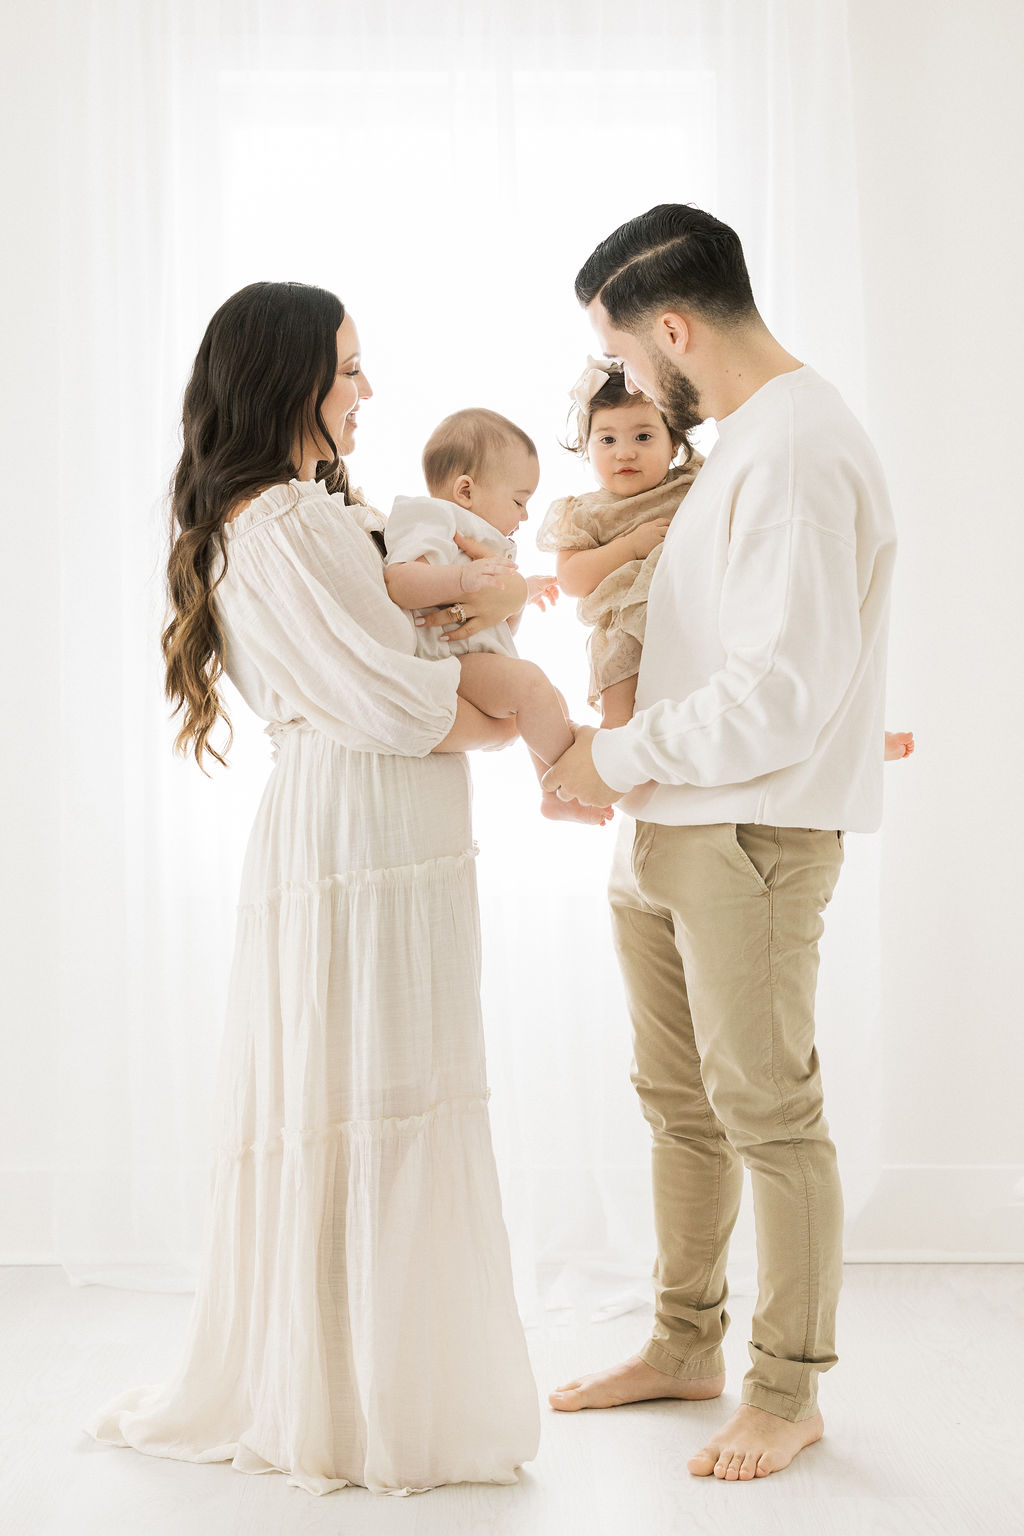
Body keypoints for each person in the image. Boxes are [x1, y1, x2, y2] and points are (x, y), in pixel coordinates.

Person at [85, 282, 540, 1496]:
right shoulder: (282, 519)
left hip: (377, 822)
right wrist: (503, 726)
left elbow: (400, 667)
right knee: (364, 1093)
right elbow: (392, 697)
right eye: (347, 369)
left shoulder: (299, 514)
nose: (367, 391)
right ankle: (359, 1400)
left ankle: (374, 1379)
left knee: (377, 1088)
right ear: (289, 381)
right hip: (361, 823)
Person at [542, 205, 898, 1481]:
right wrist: (619, 777)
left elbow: (779, 693)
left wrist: (609, 759)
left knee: (766, 1114)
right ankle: (685, 1345)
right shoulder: (752, 445)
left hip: (744, 833)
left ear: (677, 329)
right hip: (675, 826)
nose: (632, 389)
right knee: (680, 1108)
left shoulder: (794, 449)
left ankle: (786, 1389)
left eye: (631, 362)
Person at [543, 356, 915, 759]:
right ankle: (602, 767)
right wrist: (629, 547)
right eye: (607, 440)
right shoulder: (583, 512)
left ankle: (853, 732)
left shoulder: (692, 482)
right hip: (626, 633)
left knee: (789, 663)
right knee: (621, 713)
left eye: (643, 437)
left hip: (700, 613)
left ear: (675, 445)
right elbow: (572, 579)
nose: (625, 453)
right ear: (585, 447)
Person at [384, 407, 610, 824]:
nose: (524, 515)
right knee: (532, 686)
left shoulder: (489, 541)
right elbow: (400, 582)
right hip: (445, 663)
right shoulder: (432, 516)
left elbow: (493, 630)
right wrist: (464, 578)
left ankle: (555, 793)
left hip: (473, 658)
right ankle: (573, 774)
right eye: (519, 500)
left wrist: (518, 598)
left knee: (551, 700)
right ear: (466, 491)